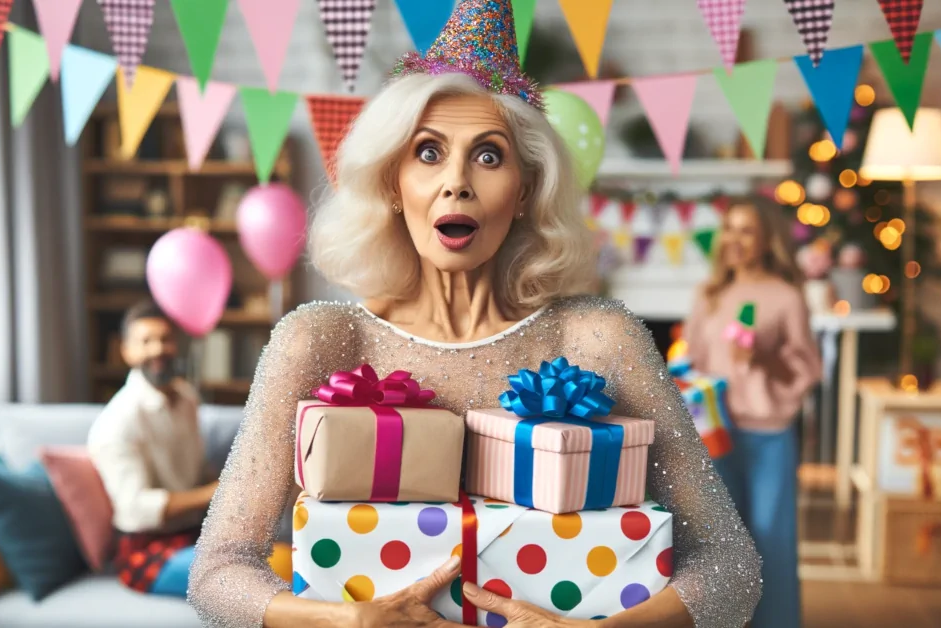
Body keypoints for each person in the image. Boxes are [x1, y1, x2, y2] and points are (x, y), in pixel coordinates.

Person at [188, 1, 761, 626]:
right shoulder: (320, 340)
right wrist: (346, 621)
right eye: (428, 153)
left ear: (523, 192)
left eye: (488, 156)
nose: (456, 181)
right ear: (390, 184)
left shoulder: (598, 337)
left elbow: (730, 564)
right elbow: (216, 572)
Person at [685, 201, 823, 628]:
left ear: (767, 241)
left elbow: (807, 371)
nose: (736, 240)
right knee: (720, 542)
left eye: (747, 231)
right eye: (730, 229)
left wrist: (762, 357)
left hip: (768, 435)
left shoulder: (785, 297)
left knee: (769, 537)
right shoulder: (709, 295)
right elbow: (693, 364)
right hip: (715, 433)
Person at [88, 300, 219, 597]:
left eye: (165, 339)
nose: (158, 349)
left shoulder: (187, 398)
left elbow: (198, 471)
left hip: (195, 534)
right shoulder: (115, 421)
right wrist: (214, 492)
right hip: (145, 549)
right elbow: (134, 509)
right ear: (126, 351)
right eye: (146, 341)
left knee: (276, 555)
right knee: (254, 571)